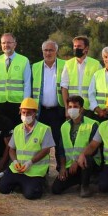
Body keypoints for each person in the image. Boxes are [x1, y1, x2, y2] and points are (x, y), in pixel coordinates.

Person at [0, 98, 55, 200]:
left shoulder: (44, 129)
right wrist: (14, 161)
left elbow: (46, 150)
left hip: (34, 170)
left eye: (29, 113)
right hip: (18, 169)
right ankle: (22, 184)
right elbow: (11, 149)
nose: (26, 115)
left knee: (31, 195)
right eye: (23, 112)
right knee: (2, 188)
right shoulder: (17, 128)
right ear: (20, 112)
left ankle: (40, 183)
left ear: (35, 113)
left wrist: (30, 162)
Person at [51, 95, 100, 197]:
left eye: (75, 107)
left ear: (81, 109)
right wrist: (63, 167)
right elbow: (61, 149)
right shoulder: (64, 126)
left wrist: (77, 161)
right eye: (70, 107)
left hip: (88, 164)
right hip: (71, 165)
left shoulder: (92, 124)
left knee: (87, 159)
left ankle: (85, 186)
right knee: (56, 189)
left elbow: (93, 148)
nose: (72, 109)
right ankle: (80, 180)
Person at [32, 40, 65, 170]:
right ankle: (42, 171)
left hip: (58, 110)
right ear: (42, 52)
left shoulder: (65, 65)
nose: (48, 53)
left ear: (56, 51)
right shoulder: (34, 67)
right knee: (40, 143)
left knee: (59, 141)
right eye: (46, 50)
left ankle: (60, 169)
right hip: (41, 111)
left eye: (51, 50)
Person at [0, 33, 31, 124]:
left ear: (14, 44)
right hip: (0, 103)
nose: (6, 45)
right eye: (3, 43)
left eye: (9, 42)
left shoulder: (24, 60)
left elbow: (27, 83)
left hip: (18, 104)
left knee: (17, 129)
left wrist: (25, 104)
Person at [61, 36, 102, 119]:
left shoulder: (96, 64)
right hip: (73, 109)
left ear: (86, 48)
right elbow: (64, 87)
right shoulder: (68, 64)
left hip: (89, 109)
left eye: (79, 46)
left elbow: (101, 87)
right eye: (75, 46)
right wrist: (67, 108)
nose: (76, 48)